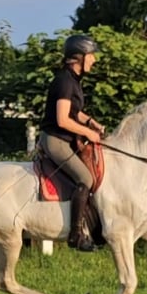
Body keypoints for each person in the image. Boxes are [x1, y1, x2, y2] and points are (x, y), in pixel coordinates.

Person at [39, 34, 106, 252]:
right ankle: (76, 234)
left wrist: (90, 121)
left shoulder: (72, 81)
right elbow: (62, 119)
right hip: (55, 141)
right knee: (85, 178)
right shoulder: (64, 81)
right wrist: (89, 133)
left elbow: (74, 112)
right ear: (79, 57)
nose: (94, 60)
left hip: (66, 140)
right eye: (91, 55)